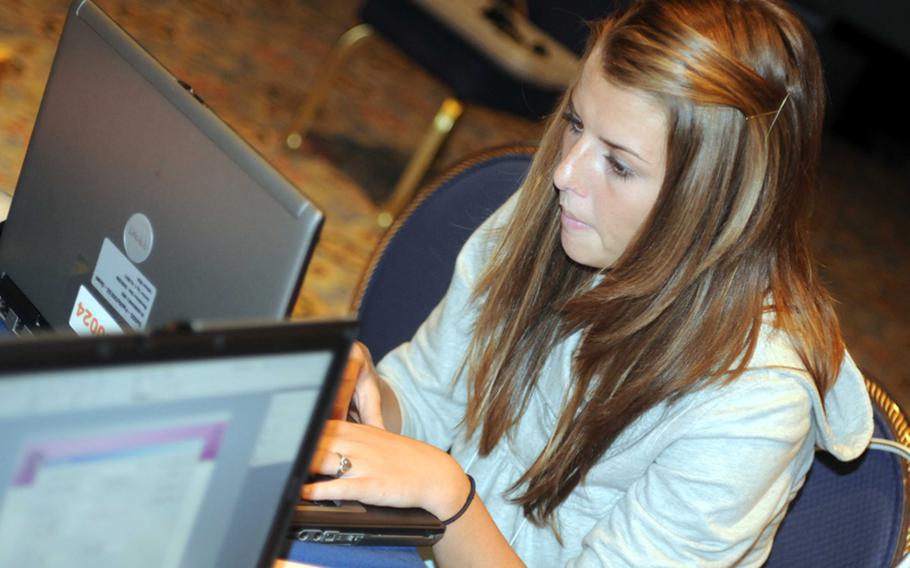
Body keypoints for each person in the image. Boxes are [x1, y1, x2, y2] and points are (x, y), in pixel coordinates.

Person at [304, 0, 873, 565]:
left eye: (619, 164)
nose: (563, 172)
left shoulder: (754, 405)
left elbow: (441, 490)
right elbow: (429, 393)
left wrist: (448, 499)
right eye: (575, 124)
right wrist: (364, 402)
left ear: (717, 205)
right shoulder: (563, 220)